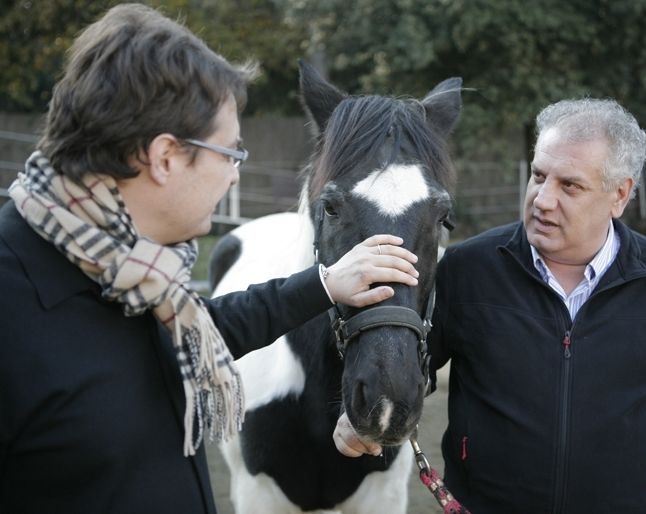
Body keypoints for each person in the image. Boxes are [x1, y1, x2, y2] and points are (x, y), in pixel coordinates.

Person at [0, 4, 420, 514]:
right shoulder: (17, 301)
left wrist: (325, 286)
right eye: (230, 154)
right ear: (165, 157)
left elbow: (195, 330)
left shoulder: (124, 269)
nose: (235, 176)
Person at [334, 98, 646, 513]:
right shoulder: (467, 270)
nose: (542, 199)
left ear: (620, 194)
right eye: (539, 176)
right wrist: (358, 413)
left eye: (569, 186)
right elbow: (408, 360)